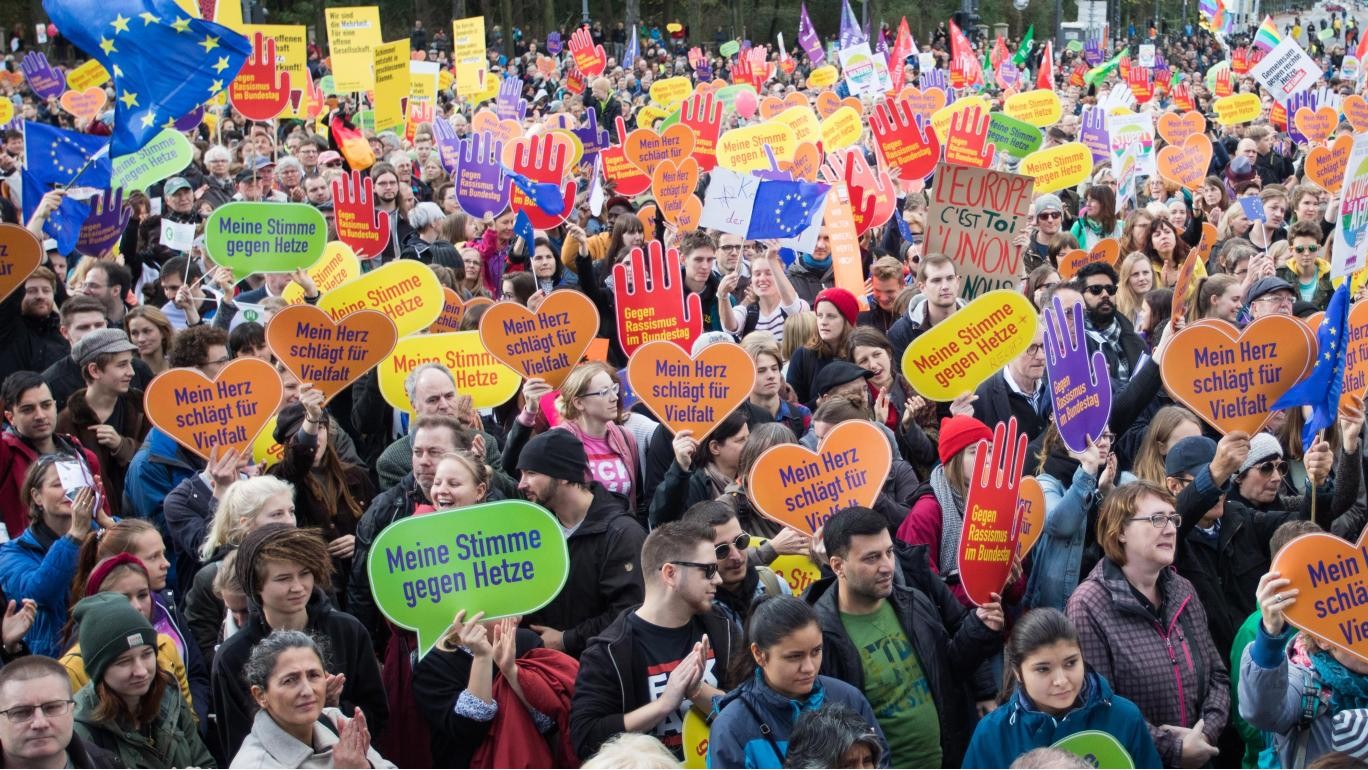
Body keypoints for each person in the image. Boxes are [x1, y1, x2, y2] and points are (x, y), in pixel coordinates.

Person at [807, 506, 1004, 767]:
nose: (887, 566)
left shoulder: (913, 603)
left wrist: (979, 629)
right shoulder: (820, 634)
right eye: (871, 558)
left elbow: (948, 669)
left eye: (889, 553)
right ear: (837, 566)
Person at [1065, 482, 1228, 768]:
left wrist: (1204, 734)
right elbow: (1100, 707)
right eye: (1156, 519)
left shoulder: (1182, 589)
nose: (1170, 529)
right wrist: (1173, 749)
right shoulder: (1089, 605)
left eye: (1172, 519)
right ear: (1121, 531)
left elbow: (1217, 675)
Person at [212, 525, 387, 759]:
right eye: (283, 578)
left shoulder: (348, 631)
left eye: (304, 574)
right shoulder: (232, 657)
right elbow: (235, 741)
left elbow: (376, 713)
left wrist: (334, 707)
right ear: (256, 586)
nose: (297, 587)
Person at [569, 520, 734, 761]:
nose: (718, 579)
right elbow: (585, 739)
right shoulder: (609, 651)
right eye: (708, 570)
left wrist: (698, 691)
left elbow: (752, 709)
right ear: (670, 573)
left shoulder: (721, 627)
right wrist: (664, 704)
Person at [1166, 433, 1333, 656]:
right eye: (1213, 482)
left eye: (1224, 481)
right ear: (1174, 485)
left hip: (1259, 652)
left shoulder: (1240, 517)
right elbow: (1178, 517)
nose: (1219, 491)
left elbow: (1304, 530)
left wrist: (1317, 484)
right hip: (1210, 668)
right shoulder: (1167, 537)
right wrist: (1215, 474)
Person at [962, 608, 1162, 768]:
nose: (1061, 680)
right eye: (1043, 669)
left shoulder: (1124, 717)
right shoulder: (992, 733)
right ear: (1017, 672)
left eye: (1070, 663)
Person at [708, 595, 887, 768]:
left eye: (816, 651)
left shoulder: (848, 698)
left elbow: (882, 760)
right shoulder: (732, 727)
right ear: (759, 654)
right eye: (795, 656)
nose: (809, 667)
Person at [516, 430, 647, 657]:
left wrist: (567, 639)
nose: (521, 484)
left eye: (531, 473)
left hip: (600, 669)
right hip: (542, 667)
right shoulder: (535, 529)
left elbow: (630, 611)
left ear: (564, 476)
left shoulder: (622, 534)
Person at [412, 612, 577, 768]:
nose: (518, 618)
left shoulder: (526, 641)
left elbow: (550, 722)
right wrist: (482, 657)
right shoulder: (432, 663)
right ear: (472, 617)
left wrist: (512, 672)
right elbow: (468, 731)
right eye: (504, 609)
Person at [68, 593, 212, 768]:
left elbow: (205, 762)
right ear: (99, 671)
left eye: (147, 654)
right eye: (124, 662)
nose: (141, 671)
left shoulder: (170, 696)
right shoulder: (81, 730)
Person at [0, 454, 113, 658]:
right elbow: (38, 594)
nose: (70, 490)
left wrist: (108, 524)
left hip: (109, 649)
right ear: (37, 497)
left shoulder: (105, 533)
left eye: (76, 482)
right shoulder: (13, 552)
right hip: (54, 660)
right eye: (58, 484)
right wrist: (74, 536)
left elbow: (146, 560)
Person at [232, 630, 395, 768]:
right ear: (261, 695)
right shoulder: (254, 764)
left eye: (313, 675)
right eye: (290, 680)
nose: (307, 690)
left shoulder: (334, 721)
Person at [0, 372, 106, 540]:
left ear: (55, 405)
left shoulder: (85, 457)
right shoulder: (6, 453)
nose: (40, 415)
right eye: (28, 409)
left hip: (85, 552)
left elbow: (102, 514)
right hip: (27, 557)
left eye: (46, 405)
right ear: (10, 417)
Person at [54, 330, 148, 519]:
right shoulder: (66, 422)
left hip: (145, 519)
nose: (131, 372)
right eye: (122, 365)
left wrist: (123, 446)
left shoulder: (142, 407)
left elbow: (159, 459)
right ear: (94, 370)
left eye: (130, 363)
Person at [0, 655, 116, 768]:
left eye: (52, 708)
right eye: (21, 712)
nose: (40, 723)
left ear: (72, 710)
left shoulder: (107, 764)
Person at [649, 410, 750, 526]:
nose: (750, 444)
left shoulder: (750, 480)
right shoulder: (693, 486)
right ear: (715, 447)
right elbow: (662, 522)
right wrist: (680, 468)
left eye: (749, 437)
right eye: (741, 440)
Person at [787, 287, 858, 405]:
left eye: (831, 316)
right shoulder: (803, 355)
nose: (823, 321)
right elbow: (792, 409)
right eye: (819, 315)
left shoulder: (860, 352)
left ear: (847, 320)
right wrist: (818, 403)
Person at [721, 247, 807, 345]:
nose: (762, 278)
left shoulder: (799, 305)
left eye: (769, 273)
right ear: (751, 279)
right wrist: (722, 296)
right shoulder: (747, 312)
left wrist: (772, 260)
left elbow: (794, 308)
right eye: (757, 274)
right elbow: (730, 327)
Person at [1077, 263, 1146, 385]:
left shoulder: (1136, 341)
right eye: (1096, 290)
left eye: (1110, 289)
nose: (1105, 295)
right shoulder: (1076, 343)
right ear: (1080, 295)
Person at [887, 255, 965, 360]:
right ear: (922, 287)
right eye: (936, 280)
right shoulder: (901, 332)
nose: (945, 286)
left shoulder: (979, 319)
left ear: (957, 282)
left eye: (950, 278)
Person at [0, 264, 68, 377]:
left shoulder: (64, 332)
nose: (40, 296)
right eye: (31, 291)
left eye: (46, 290)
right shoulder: (7, 328)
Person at [1276, 220, 1336, 310]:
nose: (1306, 253)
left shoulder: (1333, 276)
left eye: (1312, 248)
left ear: (1318, 249)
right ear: (1291, 250)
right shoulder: (1279, 275)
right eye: (1300, 249)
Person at [123, 306, 174, 376]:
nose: (140, 339)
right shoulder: (127, 374)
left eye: (147, 331)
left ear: (163, 332)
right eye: (134, 333)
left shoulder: (179, 368)